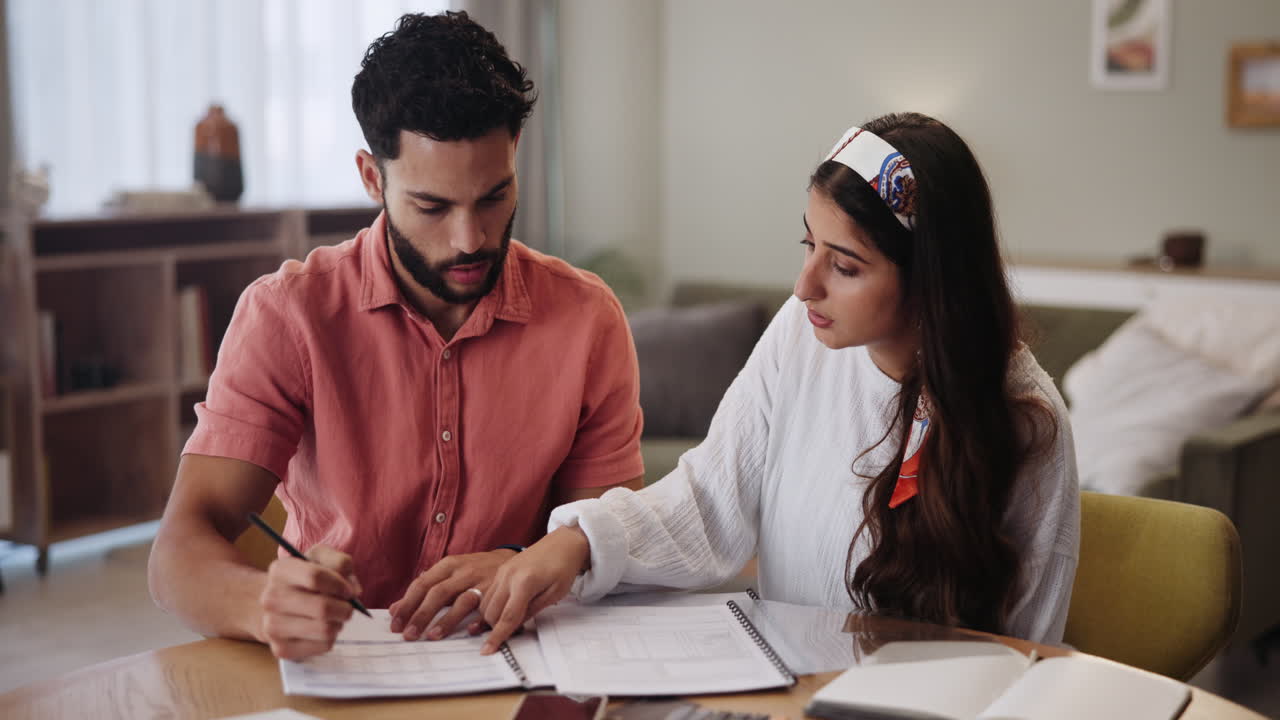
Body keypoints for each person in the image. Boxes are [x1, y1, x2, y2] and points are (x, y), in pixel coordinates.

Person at [475, 112, 1080, 654]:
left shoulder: (1027, 420)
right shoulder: (802, 333)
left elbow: (1026, 657)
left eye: (844, 265)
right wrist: (576, 542)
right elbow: (710, 498)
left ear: (931, 280)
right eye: (808, 244)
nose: (804, 285)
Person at [148, 11, 644, 661]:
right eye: (433, 207)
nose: (470, 240)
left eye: (493, 198)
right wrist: (262, 604)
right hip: (342, 665)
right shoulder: (287, 316)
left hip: (516, 660)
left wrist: (524, 561)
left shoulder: (587, 321)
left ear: (515, 158)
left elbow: (610, 538)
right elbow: (179, 548)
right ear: (371, 177)